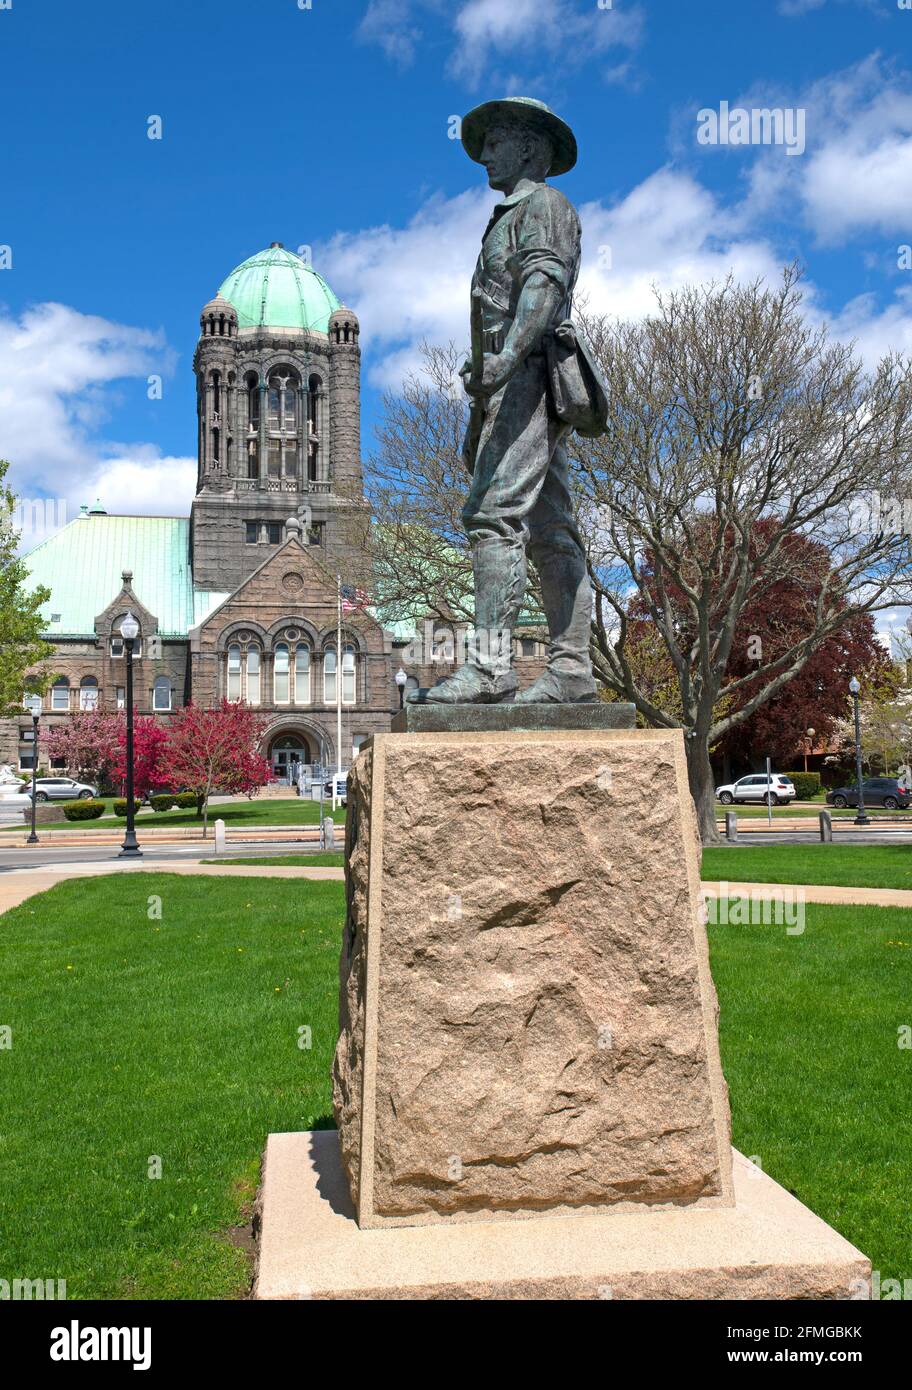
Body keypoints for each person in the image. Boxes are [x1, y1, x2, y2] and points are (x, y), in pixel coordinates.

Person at [410, 97, 598, 706]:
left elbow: (542, 290)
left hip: (528, 378)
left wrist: (507, 358)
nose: (485, 153)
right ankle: (570, 672)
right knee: (551, 528)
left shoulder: (545, 206)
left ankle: (491, 669)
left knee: (493, 517)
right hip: (511, 383)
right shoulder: (510, 215)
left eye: (496, 140)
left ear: (530, 146)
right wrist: (482, 395)